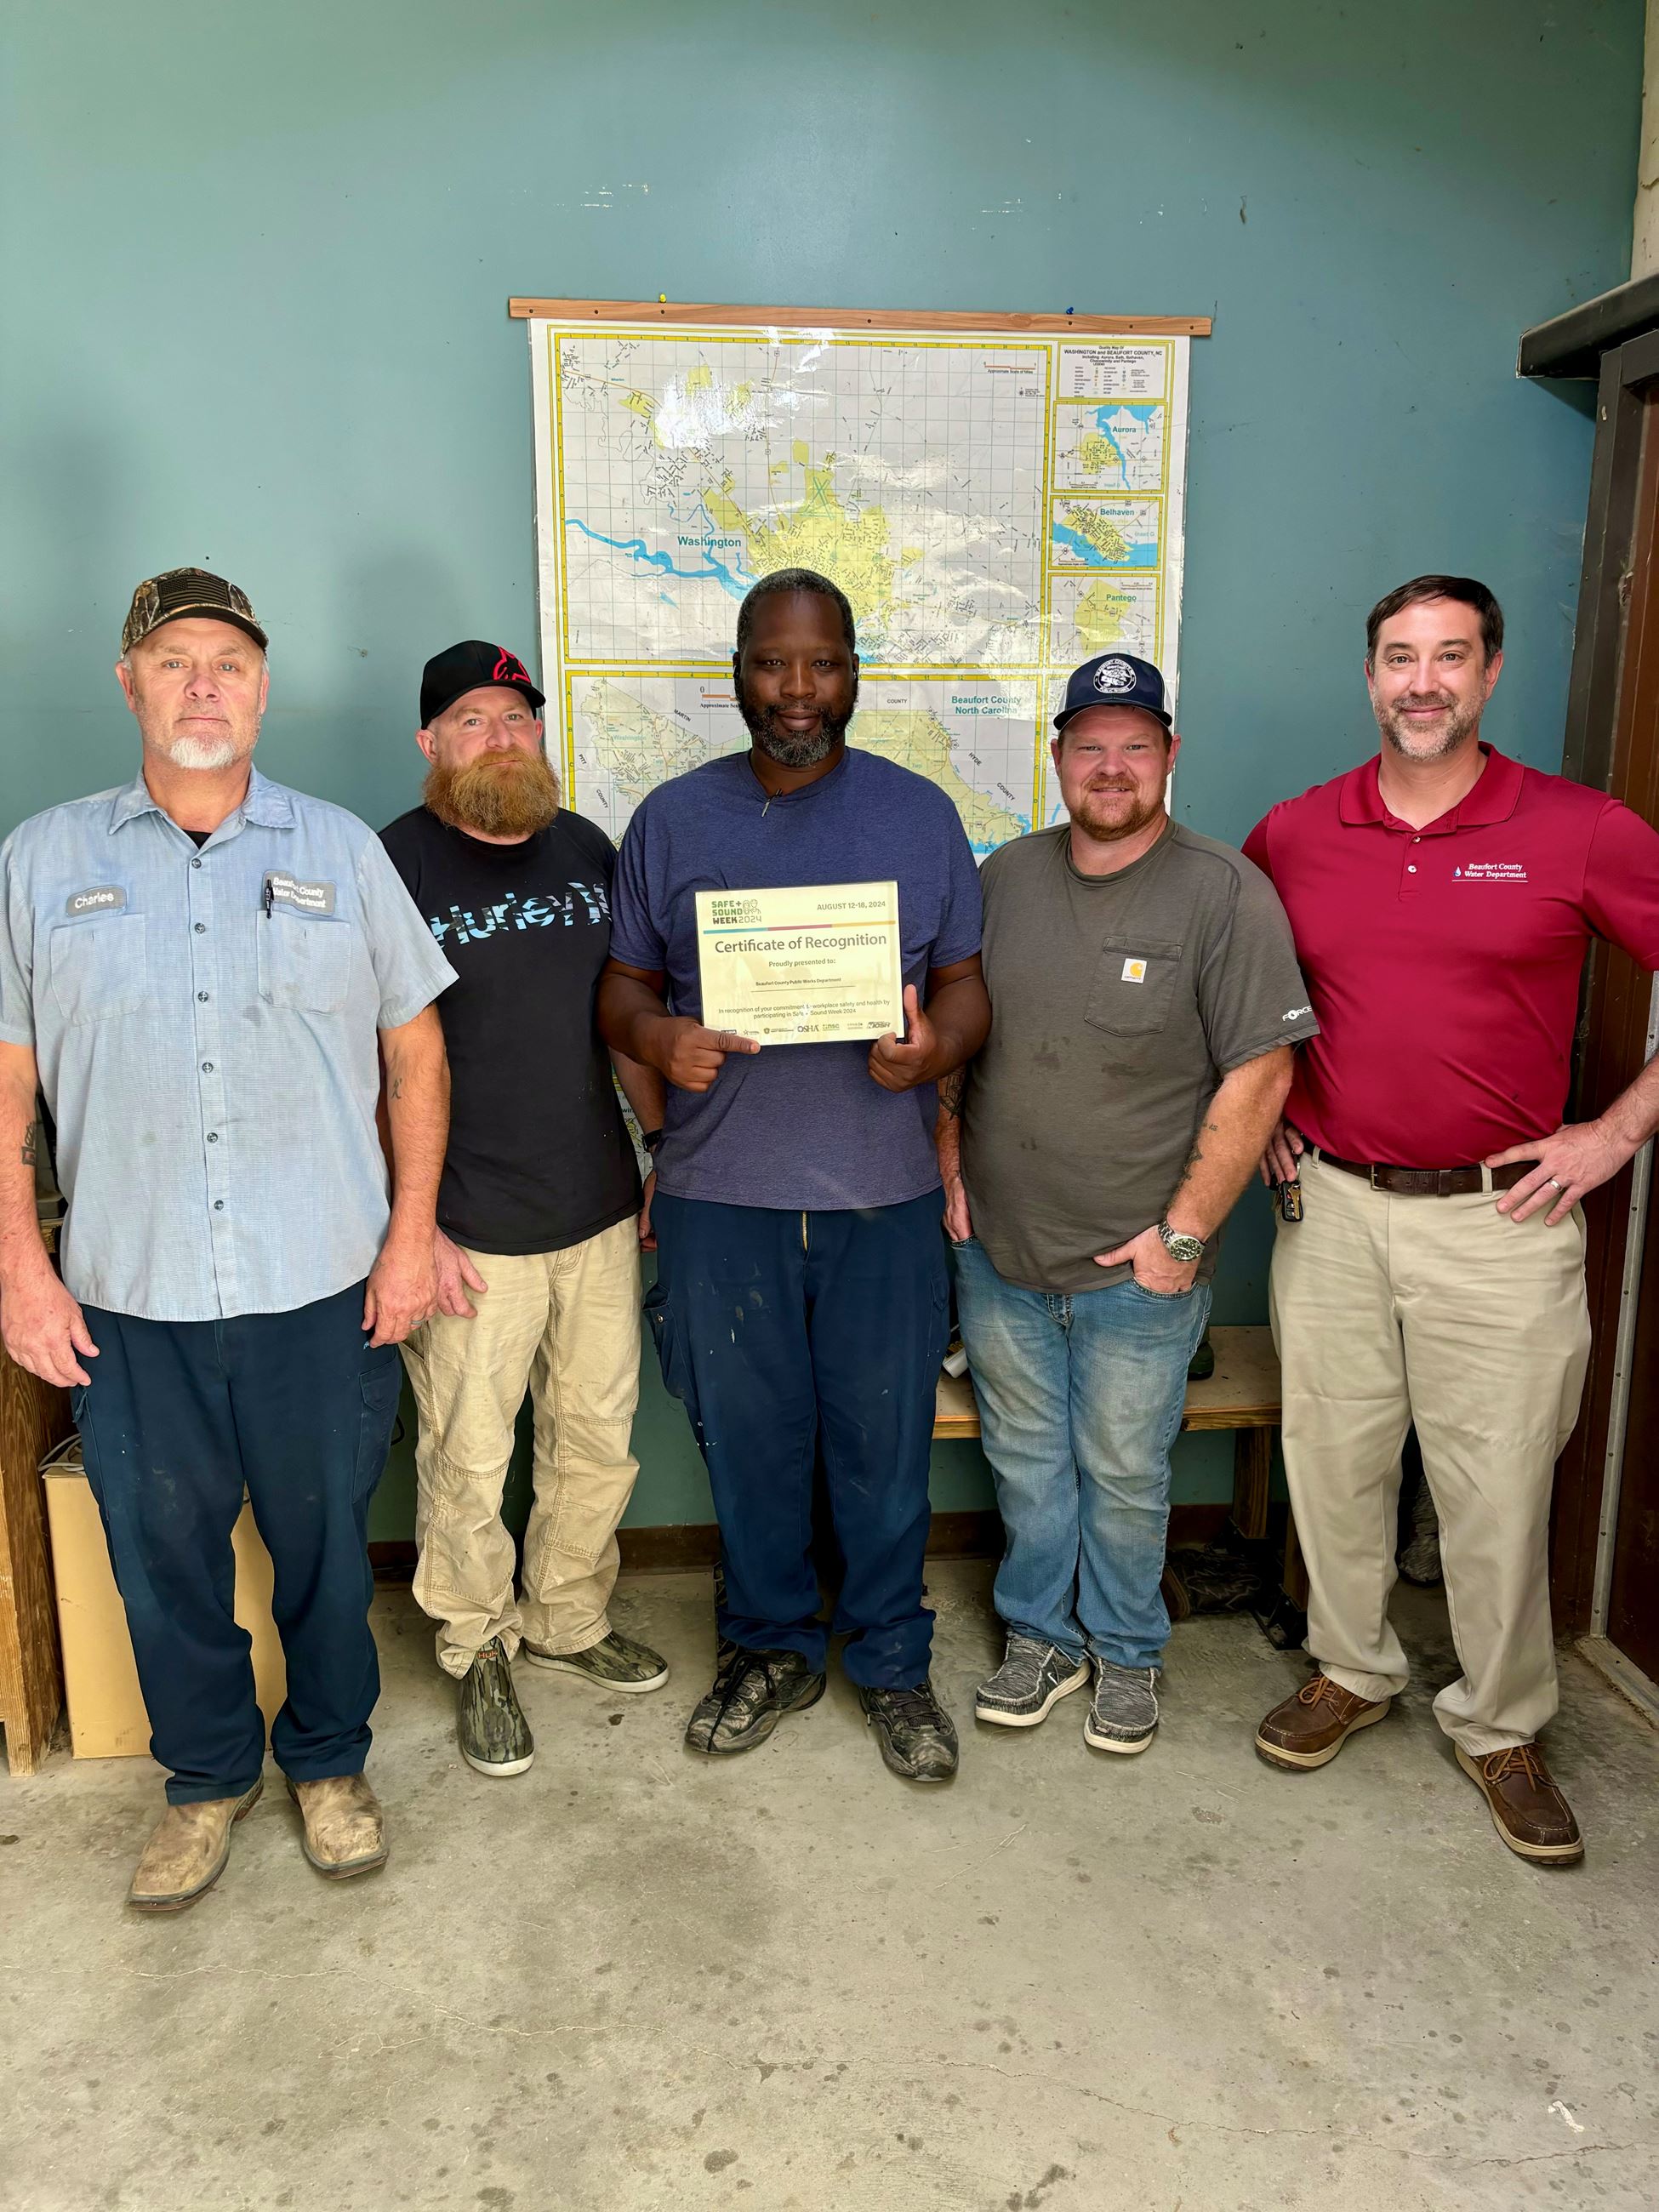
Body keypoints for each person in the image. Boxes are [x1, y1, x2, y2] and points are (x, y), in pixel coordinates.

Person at [0, 567, 456, 1910]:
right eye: (176, 660)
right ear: (129, 683)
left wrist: (411, 1235)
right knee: (161, 1560)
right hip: (126, 1295)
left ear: (263, 689)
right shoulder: (40, 860)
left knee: (324, 1548)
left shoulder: (339, 851)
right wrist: (18, 1270)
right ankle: (204, 1779)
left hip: (319, 1279)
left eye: (231, 664)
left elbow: (414, 1055)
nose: (205, 683)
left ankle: (327, 1762)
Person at [1246, 574, 1659, 1864]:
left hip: (1502, 1219)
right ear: (1366, 677)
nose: (1419, 682)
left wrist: (1615, 1132)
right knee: (1334, 1461)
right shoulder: (1294, 833)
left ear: (1489, 676)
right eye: (1395, 658)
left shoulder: (1581, 829)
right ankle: (1350, 1670)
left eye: (1448, 658)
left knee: (1494, 1488)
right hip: (1330, 1209)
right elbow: (1237, 994)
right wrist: (1258, 1114)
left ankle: (1497, 1725)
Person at [597, 567, 989, 1782]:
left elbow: (969, 986)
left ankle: (888, 1659)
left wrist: (937, 1046)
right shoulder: (672, 820)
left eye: (822, 664)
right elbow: (621, 989)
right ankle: (766, 1647)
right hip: (723, 1197)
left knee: (880, 1444)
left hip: (881, 1193)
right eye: (774, 663)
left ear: (855, 670)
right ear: (737, 671)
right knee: (748, 1441)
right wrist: (661, 1041)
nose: (798, 691)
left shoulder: (921, 816)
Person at [938, 653, 1316, 1754]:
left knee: (1121, 1468)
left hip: (1140, 1268)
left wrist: (1183, 1235)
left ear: (1168, 757)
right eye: (1088, 746)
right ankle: (1039, 1640)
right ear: (1056, 758)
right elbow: (959, 1038)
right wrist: (951, 1157)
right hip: (1000, 1252)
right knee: (1023, 1463)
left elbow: (1260, 1076)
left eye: (1133, 746)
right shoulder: (1002, 877)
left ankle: (1126, 1654)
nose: (1110, 767)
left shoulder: (1223, 892)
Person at [380, 641, 669, 1779]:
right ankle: (475, 1641)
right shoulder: (387, 865)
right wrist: (412, 1228)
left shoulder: (588, 849)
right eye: (471, 721)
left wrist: (661, 1164)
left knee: (596, 1439)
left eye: (516, 718)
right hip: (464, 1223)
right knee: (464, 1451)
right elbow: (363, 1063)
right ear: (429, 744)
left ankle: (565, 1619)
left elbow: (620, 1017)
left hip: (596, 1203)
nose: (500, 739)